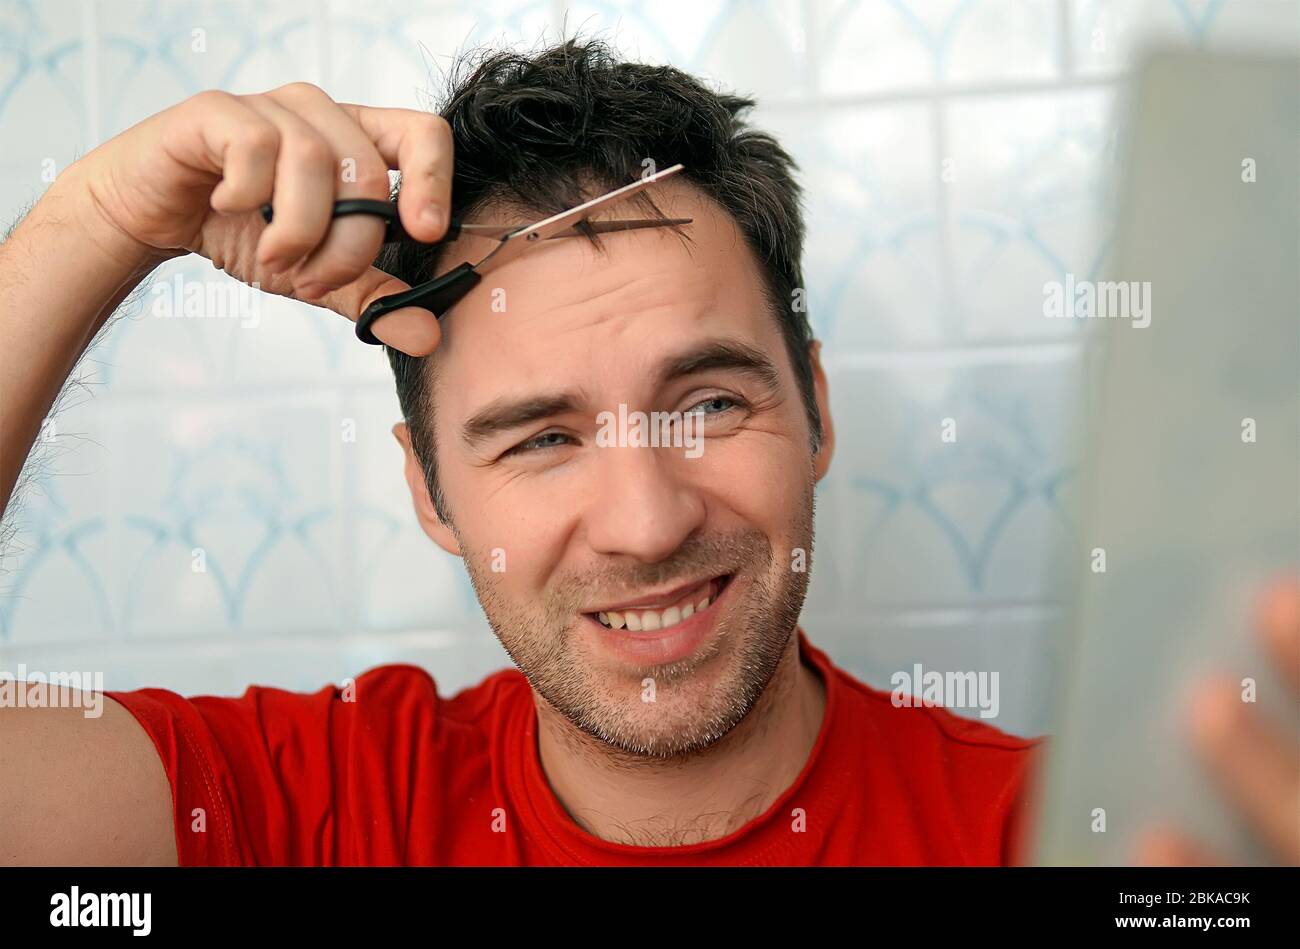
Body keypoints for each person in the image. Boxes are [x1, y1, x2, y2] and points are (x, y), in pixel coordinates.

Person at [0, 40, 1293, 866]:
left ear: (819, 413)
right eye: (542, 437)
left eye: (709, 405)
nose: (644, 520)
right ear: (430, 493)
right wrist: (93, 223)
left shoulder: (1072, 843)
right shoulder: (309, 812)